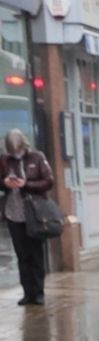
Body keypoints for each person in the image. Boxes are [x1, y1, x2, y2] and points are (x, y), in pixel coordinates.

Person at [1, 129, 55, 306]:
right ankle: (27, 293)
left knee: (36, 254)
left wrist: (26, 184)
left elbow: (49, 181)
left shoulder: (37, 157)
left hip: (34, 213)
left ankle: (38, 293)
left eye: (17, 150)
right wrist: (5, 183)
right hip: (13, 213)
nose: (15, 154)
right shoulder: (4, 160)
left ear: (24, 146)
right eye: (12, 151)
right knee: (22, 256)